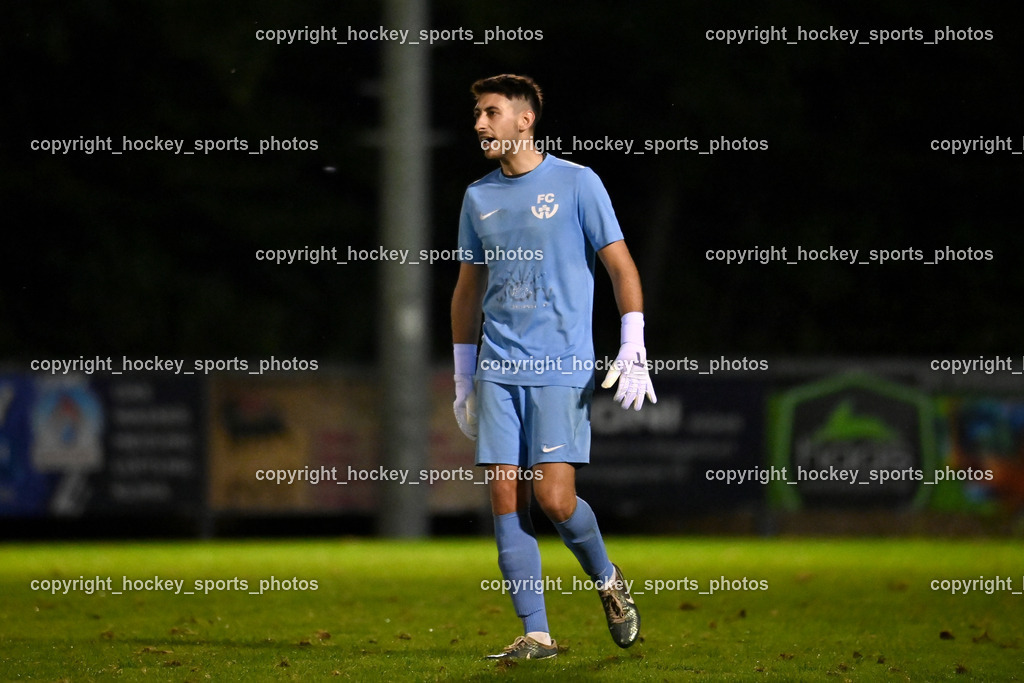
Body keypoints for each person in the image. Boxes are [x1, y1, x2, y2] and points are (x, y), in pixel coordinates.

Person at [451, 74, 656, 660]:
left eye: (491, 113)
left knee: (556, 500)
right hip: (498, 364)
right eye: (477, 114)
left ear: (525, 120)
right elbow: (468, 291)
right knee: (503, 494)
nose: (480, 124)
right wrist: (465, 375)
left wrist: (633, 340)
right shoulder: (478, 197)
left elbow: (620, 266)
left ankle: (608, 580)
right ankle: (536, 632)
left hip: (562, 363)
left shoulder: (576, 182)